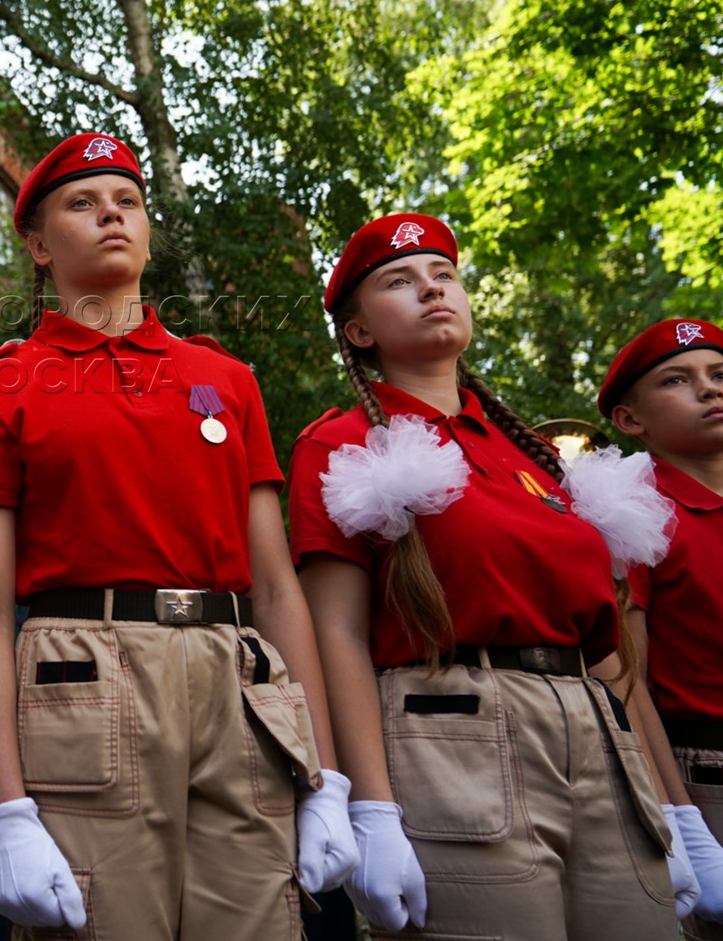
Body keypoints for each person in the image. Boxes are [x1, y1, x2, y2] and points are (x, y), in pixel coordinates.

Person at [0, 132, 355, 940]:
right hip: (84, 680)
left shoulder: (225, 380)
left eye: (127, 201)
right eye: (83, 203)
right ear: (36, 243)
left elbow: (275, 588)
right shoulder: (0, 384)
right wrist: (6, 810)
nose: (111, 216)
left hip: (237, 687)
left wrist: (329, 779)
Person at [288, 212, 689, 938]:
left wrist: (673, 807)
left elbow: (609, 651)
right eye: (400, 282)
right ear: (359, 332)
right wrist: (368, 806)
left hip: (596, 732)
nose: (432, 290)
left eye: (445, 275)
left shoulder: (536, 456)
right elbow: (336, 635)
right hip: (453, 732)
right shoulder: (342, 442)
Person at [603, 317, 723, 936]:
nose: (710, 390)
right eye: (679, 380)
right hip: (707, 774)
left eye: (720, 374)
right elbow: (628, 680)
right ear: (630, 419)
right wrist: (682, 820)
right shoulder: (635, 509)